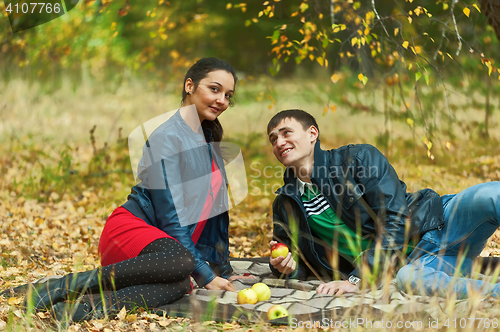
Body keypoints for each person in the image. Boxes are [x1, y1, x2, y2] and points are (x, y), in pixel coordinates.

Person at [0, 57, 245, 321]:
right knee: (185, 264)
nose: (222, 100)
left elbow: (214, 218)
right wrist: (204, 273)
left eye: (228, 95)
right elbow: (170, 216)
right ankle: (60, 285)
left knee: (182, 284)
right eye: (215, 89)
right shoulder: (167, 137)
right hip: (132, 233)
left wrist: (221, 268)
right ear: (189, 85)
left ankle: (82, 308)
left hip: (170, 252)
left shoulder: (208, 139)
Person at [266, 109, 500, 298]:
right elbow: (300, 263)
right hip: (419, 264)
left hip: (441, 224)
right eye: (273, 139)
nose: (279, 142)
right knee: (410, 281)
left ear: (312, 134)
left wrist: (358, 278)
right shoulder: (285, 205)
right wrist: (287, 267)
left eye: (286, 133)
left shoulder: (358, 159)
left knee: (491, 195)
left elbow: (396, 220)